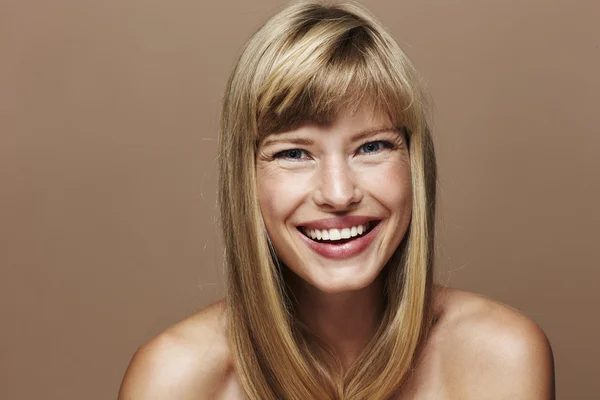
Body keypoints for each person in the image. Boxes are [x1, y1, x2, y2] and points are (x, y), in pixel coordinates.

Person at [118, 1, 555, 399]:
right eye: (293, 153)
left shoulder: (502, 359)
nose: (339, 193)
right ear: (245, 178)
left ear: (413, 164)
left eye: (371, 147)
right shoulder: (172, 381)